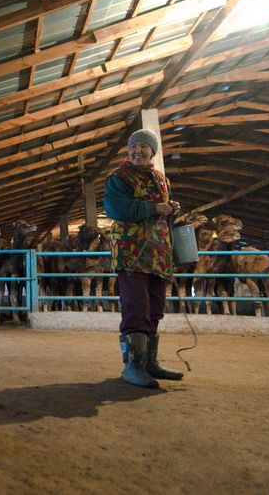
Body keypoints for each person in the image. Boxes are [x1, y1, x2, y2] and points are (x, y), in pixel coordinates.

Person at [103, 128, 184, 388]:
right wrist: (152, 208)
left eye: (143, 146)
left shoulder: (161, 179)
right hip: (132, 252)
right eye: (133, 146)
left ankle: (150, 362)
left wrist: (170, 209)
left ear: (153, 151)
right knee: (136, 305)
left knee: (155, 308)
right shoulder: (119, 177)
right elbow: (116, 208)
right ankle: (133, 366)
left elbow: (160, 208)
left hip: (158, 255)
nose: (137, 151)